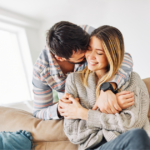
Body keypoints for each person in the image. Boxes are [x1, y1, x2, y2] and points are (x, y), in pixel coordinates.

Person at [62, 25, 150, 150]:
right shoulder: (74, 80)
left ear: (111, 55)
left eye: (99, 53)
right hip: (92, 148)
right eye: (88, 49)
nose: (91, 56)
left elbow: (131, 124)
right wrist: (108, 112)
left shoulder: (133, 81)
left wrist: (83, 113)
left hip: (127, 145)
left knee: (138, 136)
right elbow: (73, 133)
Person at [32, 21, 133, 120]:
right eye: (82, 58)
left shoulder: (85, 33)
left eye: (88, 48)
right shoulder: (41, 71)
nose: (88, 56)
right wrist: (59, 109)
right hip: (76, 114)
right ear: (60, 58)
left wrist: (107, 87)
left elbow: (121, 56)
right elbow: (38, 112)